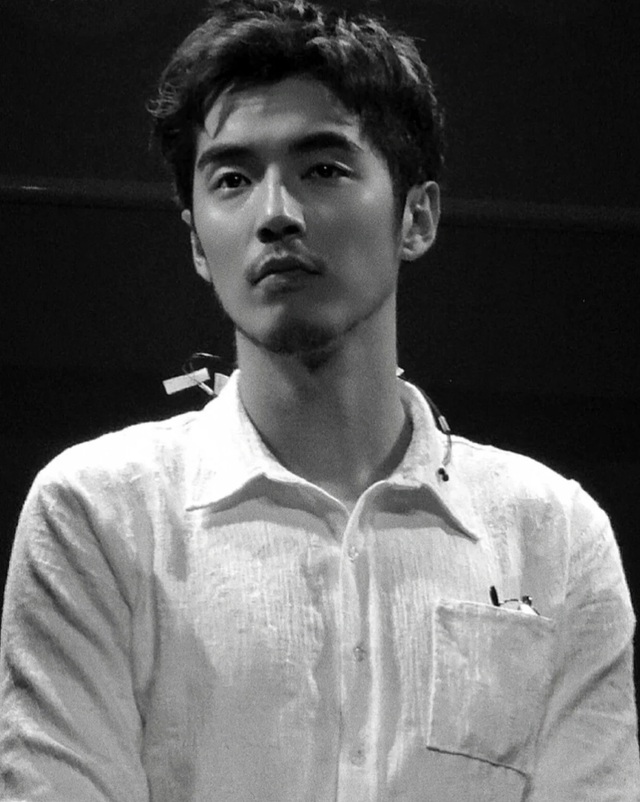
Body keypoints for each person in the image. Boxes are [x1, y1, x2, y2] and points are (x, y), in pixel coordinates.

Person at [1, 0, 638, 799]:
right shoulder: (98, 513)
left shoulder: (556, 536)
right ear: (197, 240)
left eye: (323, 169)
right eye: (233, 180)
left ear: (416, 216)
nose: (276, 214)